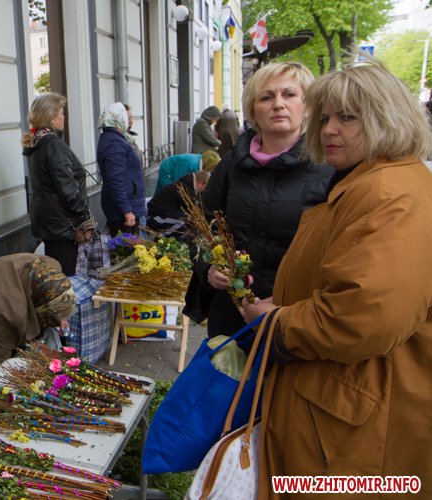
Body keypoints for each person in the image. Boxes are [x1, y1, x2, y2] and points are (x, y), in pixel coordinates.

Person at [241, 61, 432, 496]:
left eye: (347, 117)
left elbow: (365, 315)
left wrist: (277, 322)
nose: (329, 129)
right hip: (342, 411)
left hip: (355, 423)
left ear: (386, 117)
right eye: (325, 117)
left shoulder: (388, 193)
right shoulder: (372, 182)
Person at [186, 62, 333, 335]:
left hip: (293, 315)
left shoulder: (328, 167)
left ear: (308, 106)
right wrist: (209, 268)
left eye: (289, 94)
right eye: (266, 97)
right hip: (232, 310)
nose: (278, 104)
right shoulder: (232, 164)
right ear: (253, 110)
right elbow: (202, 225)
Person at [22, 93, 95, 275]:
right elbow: (67, 189)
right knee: (65, 277)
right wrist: (84, 216)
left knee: (56, 274)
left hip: (50, 221)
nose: (64, 117)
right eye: (62, 113)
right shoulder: (52, 144)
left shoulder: (38, 142)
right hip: (62, 224)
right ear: (52, 118)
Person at [96, 102, 147, 236]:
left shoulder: (116, 139)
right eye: (125, 117)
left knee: (133, 246)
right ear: (119, 118)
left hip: (128, 205)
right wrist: (127, 211)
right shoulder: (114, 142)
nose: (128, 121)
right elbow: (115, 179)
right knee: (126, 247)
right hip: (124, 211)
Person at [146, 170, 210, 239]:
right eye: (205, 187)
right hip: (155, 218)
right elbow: (193, 211)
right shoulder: (185, 190)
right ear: (200, 183)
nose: (204, 190)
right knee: (186, 221)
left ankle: (170, 237)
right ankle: (161, 238)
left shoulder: (185, 186)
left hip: (163, 215)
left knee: (187, 219)